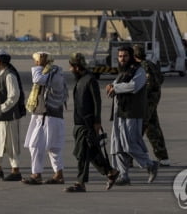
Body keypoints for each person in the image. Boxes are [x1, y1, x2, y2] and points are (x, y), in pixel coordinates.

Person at [65, 52, 119, 193]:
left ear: (76, 67)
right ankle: (111, 172)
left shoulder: (90, 80)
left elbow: (97, 102)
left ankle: (80, 183)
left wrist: (97, 121)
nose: (70, 69)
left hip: (87, 122)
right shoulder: (80, 79)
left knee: (82, 154)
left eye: (71, 67)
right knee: (92, 152)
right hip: (79, 122)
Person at [105, 46, 159, 186]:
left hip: (132, 113)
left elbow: (134, 86)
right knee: (117, 144)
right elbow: (117, 84)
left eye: (125, 56)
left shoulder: (139, 70)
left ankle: (150, 164)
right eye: (120, 56)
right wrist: (111, 86)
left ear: (131, 57)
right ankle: (123, 175)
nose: (122, 59)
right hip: (119, 112)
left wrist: (115, 88)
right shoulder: (123, 72)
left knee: (129, 144)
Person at [22, 52, 68, 185]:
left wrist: (40, 66)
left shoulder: (55, 74)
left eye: (37, 61)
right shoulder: (48, 73)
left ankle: (40, 174)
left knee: (44, 146)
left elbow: (37, 79)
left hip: (50, 116)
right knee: (42, 146)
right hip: (41, 115)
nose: (35, 64)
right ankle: (53, 174)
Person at [0, 49, 26, 181]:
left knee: (11, 144)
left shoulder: (9, 75)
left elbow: (14, 96)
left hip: (8, 117)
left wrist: (2, 108)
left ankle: (16, 171)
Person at [132, 44, 170, 166]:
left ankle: (131, 158)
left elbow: (148, 84)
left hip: (146, 101)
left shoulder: (143, 66)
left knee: (138, 129)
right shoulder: (151, 64)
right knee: (153, 128)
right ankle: (163, 157)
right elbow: (161, 79)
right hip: (153, 101)